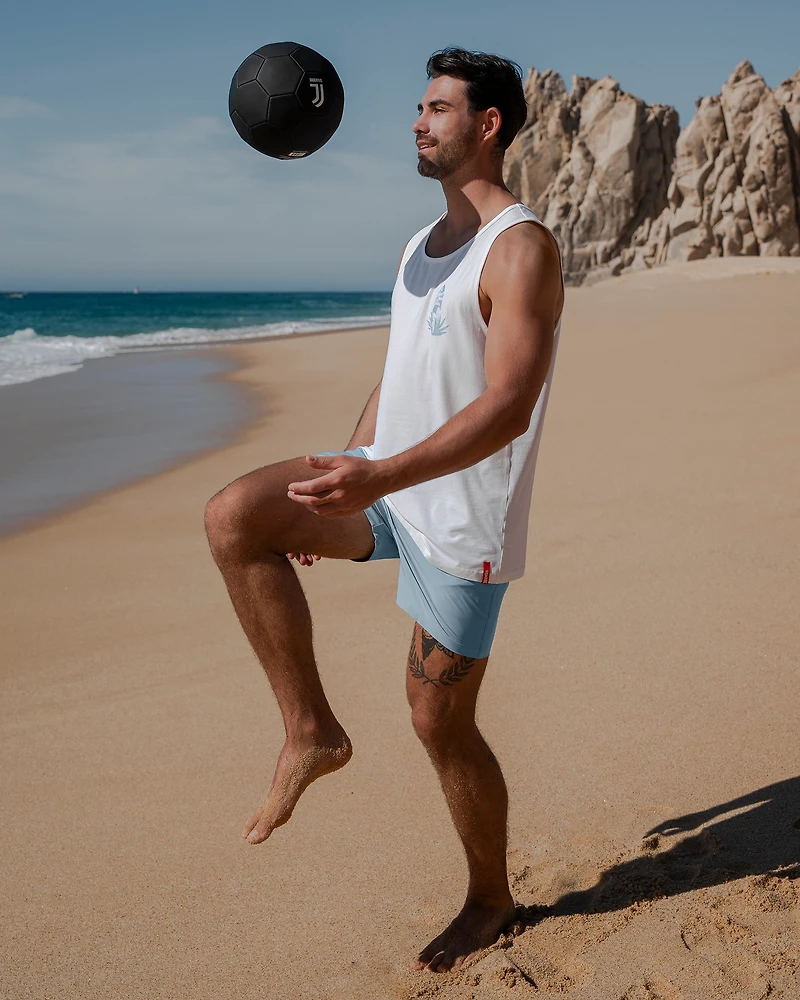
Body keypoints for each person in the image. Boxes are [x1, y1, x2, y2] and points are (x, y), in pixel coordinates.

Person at [204, 46, 565, 974]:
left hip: (460, 524)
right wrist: (349, 463)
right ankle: (310, 732)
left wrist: (382, 475)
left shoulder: (519, 248)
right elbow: (405, 368)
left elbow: (508, 404)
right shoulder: (419, 246)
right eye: (418, 104)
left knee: (437, 721)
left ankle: (491, 897)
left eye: (439, 108)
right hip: (386, 484)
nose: (417, 120)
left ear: (488, 125)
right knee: (237, 518)